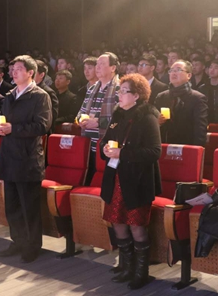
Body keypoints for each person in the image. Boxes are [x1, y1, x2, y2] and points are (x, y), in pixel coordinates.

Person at [100, 73, 162, 290]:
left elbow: (154, 152)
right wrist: (106, 149)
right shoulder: (118, 114)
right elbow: (106, 141)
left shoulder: (148, 117)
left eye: (124, 91)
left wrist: (122, 154)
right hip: (115, 176)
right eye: (119, 90)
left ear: (136, 95)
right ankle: (126, 266)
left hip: (137, 180)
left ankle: (141, 272)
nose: (119, 94)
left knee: (136, 225)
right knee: (117, 221)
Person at [0, 55, 52, 264]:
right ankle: (17, 241)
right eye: (13, 69)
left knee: (29, 207)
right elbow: (3, 120)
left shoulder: (40, 96)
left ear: (30, 73)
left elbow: (42, 126)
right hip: (8, 155)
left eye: (19, 69)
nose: (14, 72)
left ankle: (32, 245)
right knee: (12, 206)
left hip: (27, 158)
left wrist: (14, 128)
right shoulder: (9, 95)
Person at [76, 53, 121, 185]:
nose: (98, 67)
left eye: (102, 64)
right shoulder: (92, 88)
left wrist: (98, 123)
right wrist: (80, 120)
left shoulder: (120, 88)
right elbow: (81, 112)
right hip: (88, 144)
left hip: (107, 146)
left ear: (113, 68)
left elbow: (122, 119)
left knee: (105, 184)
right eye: (97, 64)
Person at [154, 60, 208, 146]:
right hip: (164, 145)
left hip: (187, 145)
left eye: (178, 70)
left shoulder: (197, 98)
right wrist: (157, 122)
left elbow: (200, 129)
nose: (174, 73)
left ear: (189, 75)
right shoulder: (161, 97)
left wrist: (197, 149)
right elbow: (153, 124)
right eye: (171, 70)